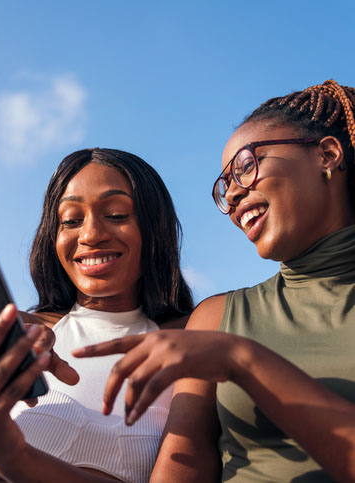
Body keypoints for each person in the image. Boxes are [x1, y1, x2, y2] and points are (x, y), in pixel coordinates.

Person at [74, 80, 355, 482]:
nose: (234, 196)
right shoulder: (217, 318)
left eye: (245, 167)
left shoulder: (224, 345)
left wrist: (243, 361)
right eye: (225, 187)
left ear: (327, 155)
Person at [0, 148, 193, 482]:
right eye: (71, 220)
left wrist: (15, 456)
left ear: (155, 227)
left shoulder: (190, 343)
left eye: (117, 214)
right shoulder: (24, 335)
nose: (91, 235)